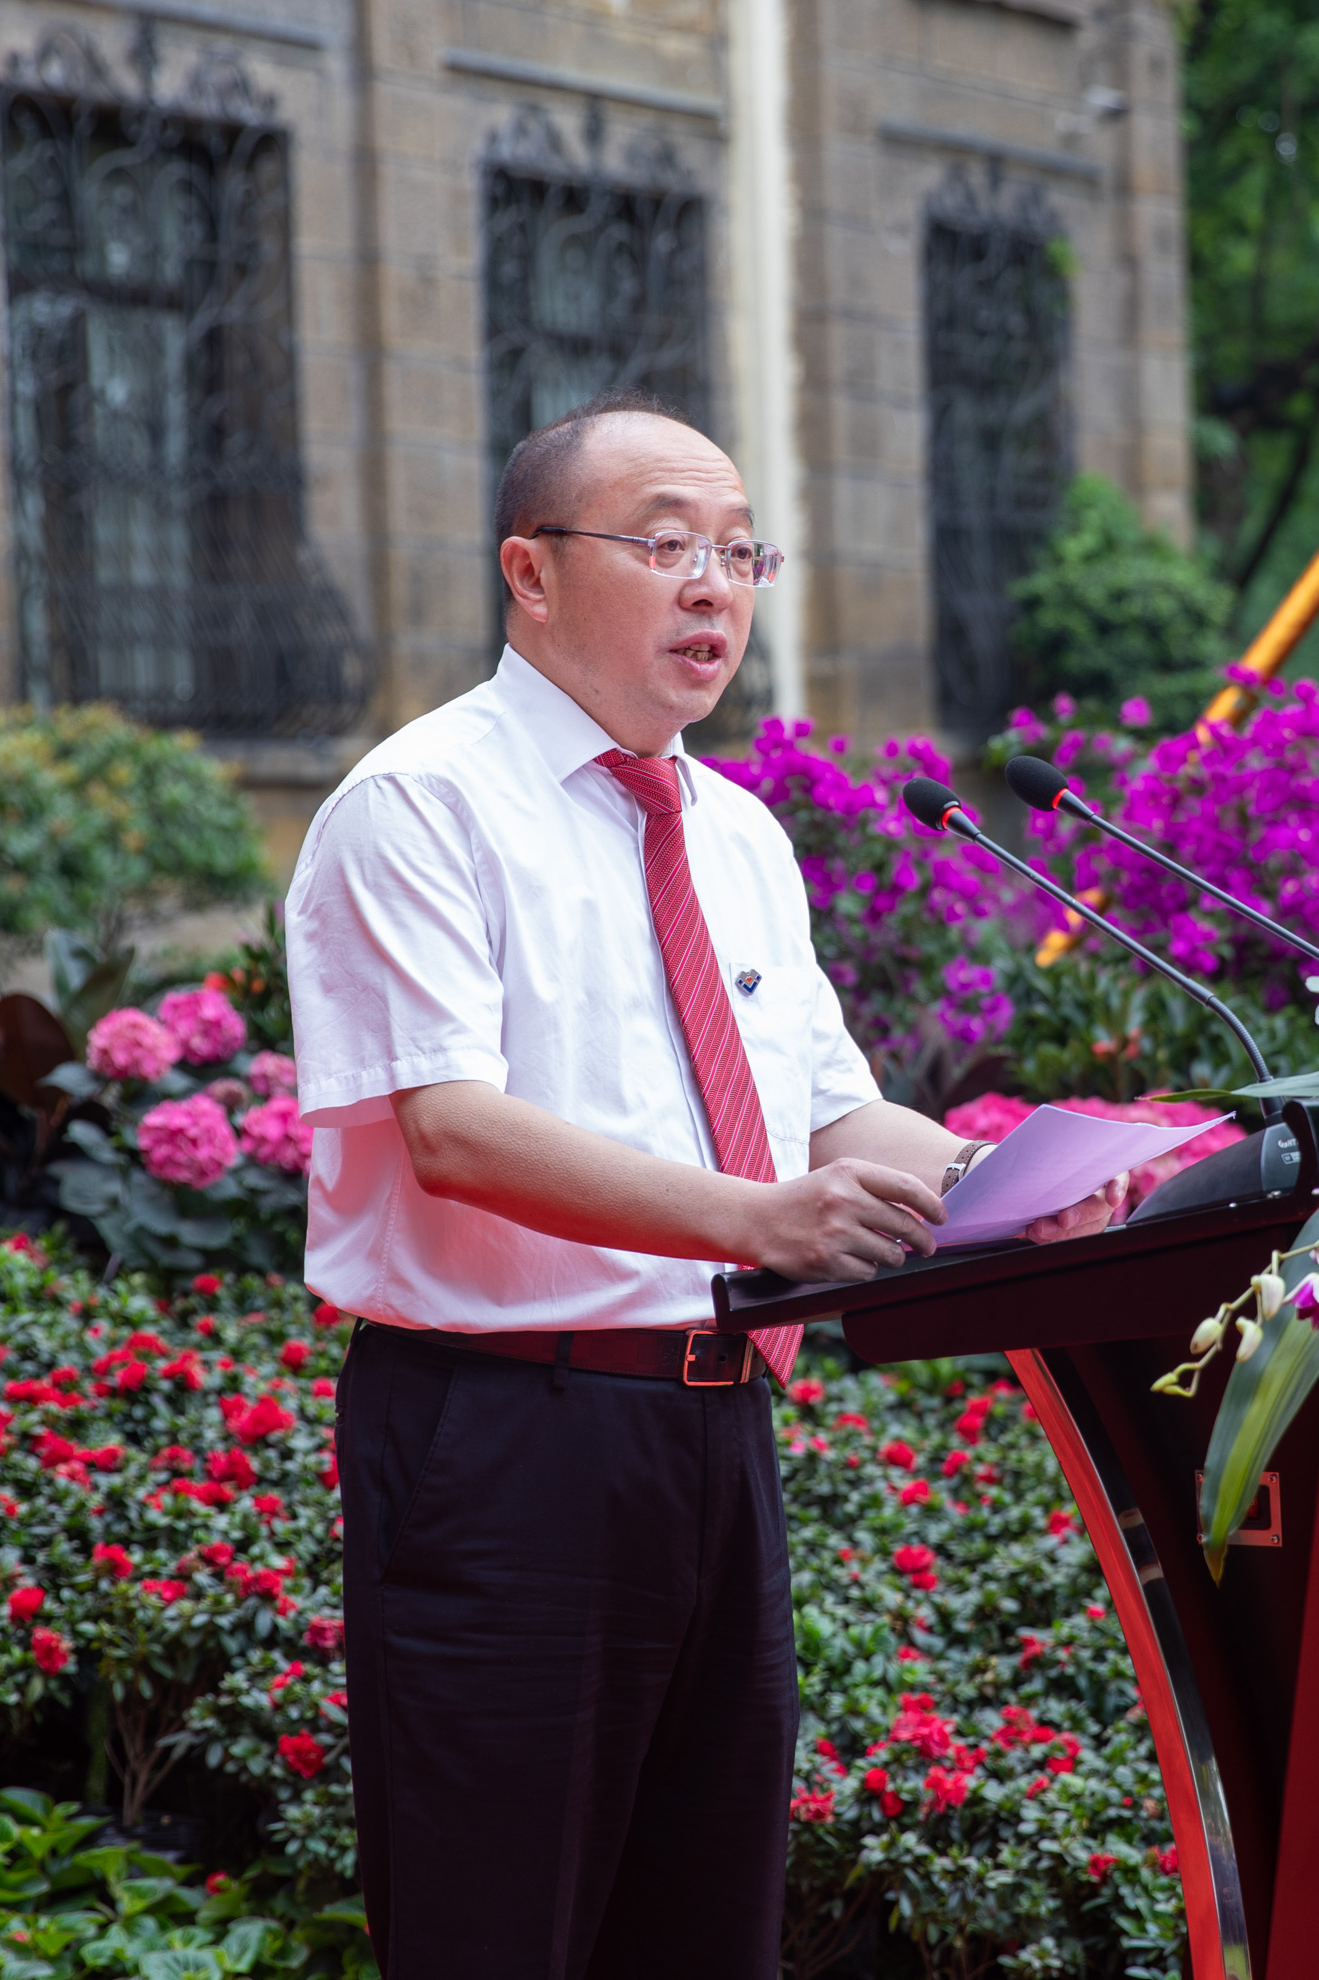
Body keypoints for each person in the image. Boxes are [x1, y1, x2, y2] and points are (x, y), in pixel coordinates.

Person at [284, 390, 1114, 1980]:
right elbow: (449, 1127)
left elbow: (823, 1116)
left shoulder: (732, 830)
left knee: (703, 1924)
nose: (712, 588)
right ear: (528, 573)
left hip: (712, 1429)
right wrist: (753, 1225)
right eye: (663, 545)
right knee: (497, 1931)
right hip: (502, 1438)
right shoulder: (421, 807)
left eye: (740, 553)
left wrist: (1055, 1186)